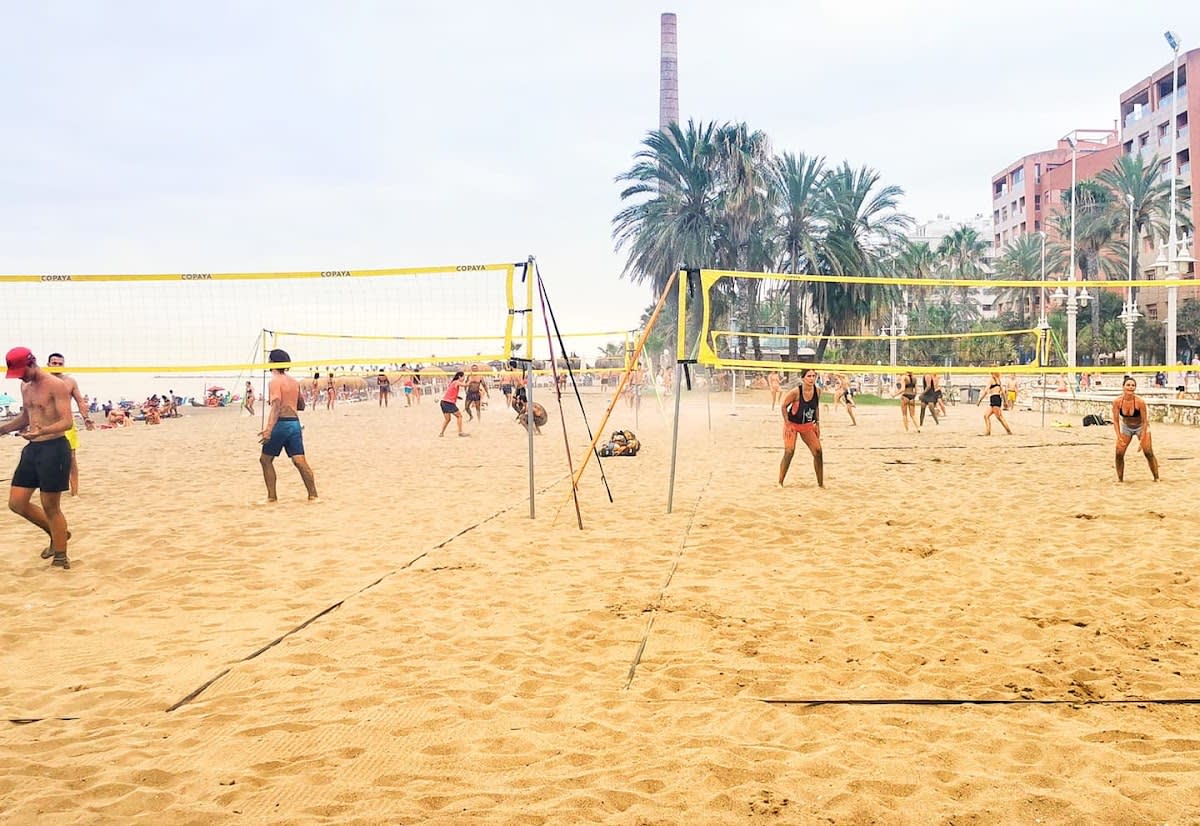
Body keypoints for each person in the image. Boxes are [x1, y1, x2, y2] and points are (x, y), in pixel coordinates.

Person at [0, 347, 75, 569]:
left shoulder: (56, 385)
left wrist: (42, 431)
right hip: (33, 448)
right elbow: (26, 416)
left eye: (23, 371)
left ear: (32, 363)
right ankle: (57, 533)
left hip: (54, 448)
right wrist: (3, 429)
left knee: (50, 506)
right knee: (17, 503)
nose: (20, 376)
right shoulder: (25, 385)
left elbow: (67, 421)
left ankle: (61, 555)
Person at [259, 349, 318, 501]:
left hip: (281, 424)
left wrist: (268, 429)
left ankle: (272, 497)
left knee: (265, 460)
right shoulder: (294, 382)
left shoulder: (274, 382)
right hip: (294, 424)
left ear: (272, 362)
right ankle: (313, 495)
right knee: (300, 461)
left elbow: (276, 406)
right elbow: (302, 405)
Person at [45, 353, 95, 497]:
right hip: (46, 424)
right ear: (48, 364)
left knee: (71, 458)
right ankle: (53, 490)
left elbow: (80, 401)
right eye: (54, 363)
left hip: (66, 423)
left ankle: (75, 493)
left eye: (60, 363)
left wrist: (86, 418)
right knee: (49, 458)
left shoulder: (70, 381)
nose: (57, 366)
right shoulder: (41, 381)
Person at [778, 368, 823, 488]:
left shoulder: (818, 391)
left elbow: (816, 407)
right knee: (789, 452)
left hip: (806, 425)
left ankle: (820, 484)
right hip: (792, 424)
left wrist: (817, 423)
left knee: (818, 452)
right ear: (803, 378)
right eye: (809, 376)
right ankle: (780, 483)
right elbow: (783, 406)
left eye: (814, 376)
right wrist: (787, 424)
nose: (812, 378)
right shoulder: (796, 392)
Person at [1112, 375, 1159, 482]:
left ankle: (1156, 478)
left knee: (1148, 452)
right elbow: (1115, 420)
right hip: (1126, 427)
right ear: (1123, 387)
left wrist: (1142, 439)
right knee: (1119, 453)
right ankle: (1120, 479)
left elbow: (1144, 421)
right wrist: (1119, 436)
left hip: (1141, 427)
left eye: (1133, 385)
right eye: (1128, 385)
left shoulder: (1140, 402)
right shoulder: (1117, 402)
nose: (1130, 387)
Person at [977, 371, 1013, 435]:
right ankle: (988, 432)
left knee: (999, 417)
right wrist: (1006, 402)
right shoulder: (999, 380)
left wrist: (979, 400)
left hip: (995, 398)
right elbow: (1003, 393)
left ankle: (1009, 431)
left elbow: (986, 391)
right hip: (996, 399)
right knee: (986, 416)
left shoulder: (991, 380)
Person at [439, 370, 468, 437]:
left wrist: (457, 397)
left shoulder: (452, 383)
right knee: (459, 416)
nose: (464, 378)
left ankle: (441, 433)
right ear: (459, 377)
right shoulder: (456, 382)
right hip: (448, 403)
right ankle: (460, 432)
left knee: (447, 419)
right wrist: (471, 379)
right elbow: (465, 385)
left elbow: (450, 392)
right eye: (463, 377)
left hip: (443, 402)